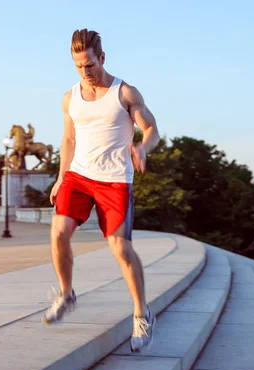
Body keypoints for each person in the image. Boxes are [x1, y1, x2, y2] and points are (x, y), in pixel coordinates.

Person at [42, 28, 160, 353]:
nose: (85, 72)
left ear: (102, 58)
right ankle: (66, 295)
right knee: (58, 232)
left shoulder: (124, 93)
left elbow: (151, 129)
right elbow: (68, 140)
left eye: (90, 65)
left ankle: (141, 314)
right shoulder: (70, 98)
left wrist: (143, 148)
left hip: (115, 180)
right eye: (79, 66)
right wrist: (60, 177)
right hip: (79, 176)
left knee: (120, 248)